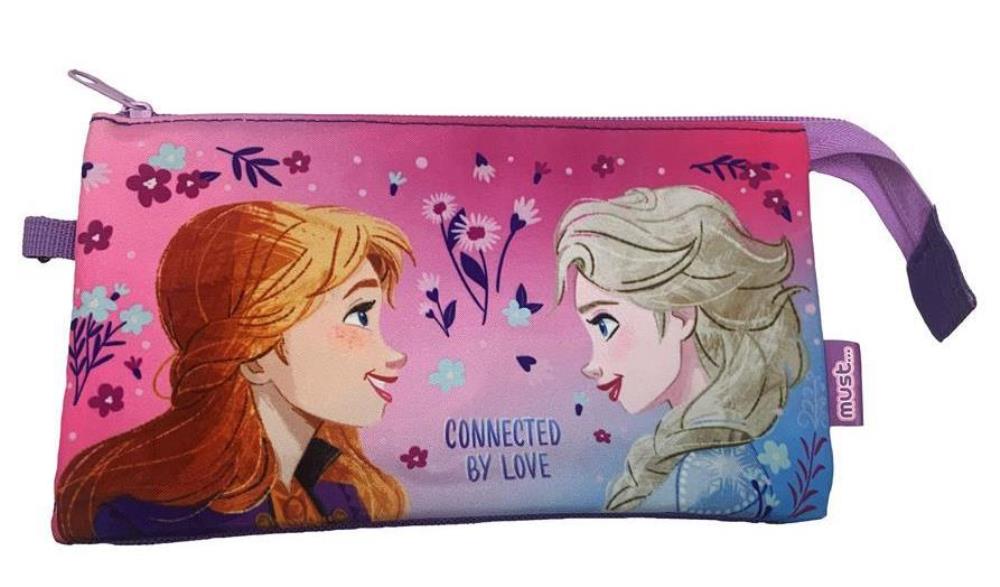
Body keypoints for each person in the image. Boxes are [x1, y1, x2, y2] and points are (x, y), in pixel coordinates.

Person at [56, 201, 413, 542]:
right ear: (255, 355)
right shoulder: (134, 512)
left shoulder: (351, 491)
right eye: (358, 316)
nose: (394, 355)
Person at [554, 186, 807, 516]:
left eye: (605, 325)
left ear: (682, 317)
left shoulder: (708, 473)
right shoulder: (691, 453)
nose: (591, 365)